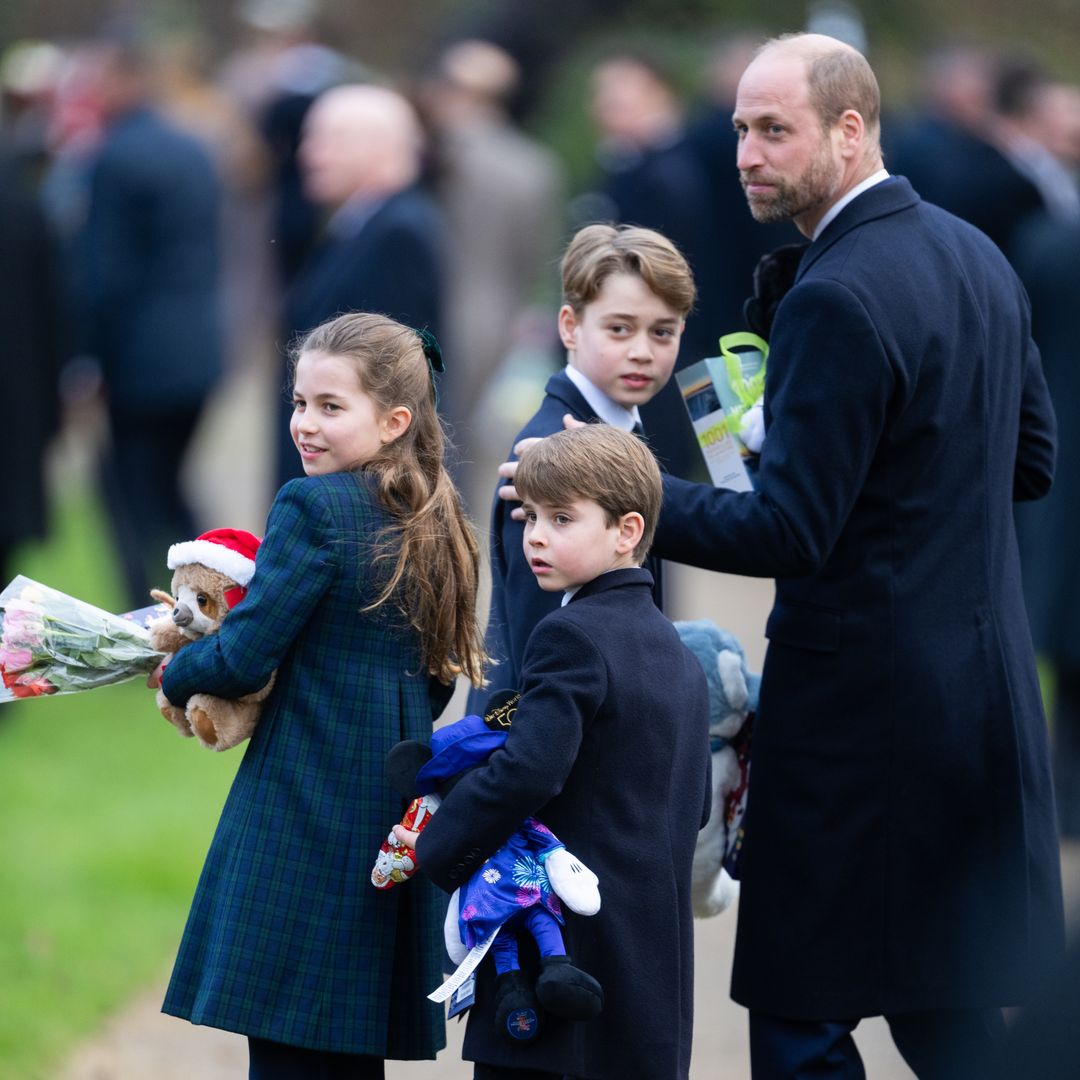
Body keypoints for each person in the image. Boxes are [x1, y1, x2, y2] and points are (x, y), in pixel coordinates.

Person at [500, 31, 1063, 1078]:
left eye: (774, 131)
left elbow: (788, 533)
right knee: (945, 1010)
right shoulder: (974, 252)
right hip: (980, 699)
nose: (747, 155)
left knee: (804, 1020)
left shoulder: (837, 295)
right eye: (739, 130)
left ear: (850, 131)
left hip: (862, 719)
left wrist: (618, 487)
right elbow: (1027, 461)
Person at [153, 312, 487, 1078]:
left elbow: (244, 655)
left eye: (331, 407)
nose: (305, 423)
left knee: (288, 1050)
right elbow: (438, 680)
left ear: (394, 420)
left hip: (302, 807)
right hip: (384, 806)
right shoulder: (436, 515)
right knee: (345, 1044)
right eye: (300, 402)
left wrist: (176, 672)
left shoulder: (314, 507)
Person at [403, 423, 711, 1079]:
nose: (536, 536)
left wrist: (438, 847)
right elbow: (697, 802)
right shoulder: (678, 654)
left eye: (562, 518)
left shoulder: (570, 635)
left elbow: (528, 769)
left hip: (560, 955)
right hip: (648, 963)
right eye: (531, 516)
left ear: (627, 530)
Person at [468, 222, 695, 714]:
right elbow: (544, 648)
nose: (642, 351)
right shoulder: (550, 453)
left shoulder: (620, 435)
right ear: (569, 326)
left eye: (662, 331)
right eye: (619, 328)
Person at [73, 36, 224, 609]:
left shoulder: (114, 156)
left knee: (126, 492)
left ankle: (136, 614)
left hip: (139, 360)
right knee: (171, 487)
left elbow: (104, 272)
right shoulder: (194, 147)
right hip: (201, 349)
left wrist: (86, 359)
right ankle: (216, 591)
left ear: (125, 78)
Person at [275, 83, 445, 490]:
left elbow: (388, 375)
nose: (308, 155)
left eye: (327, 141)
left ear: (379, 147)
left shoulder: (398, 232)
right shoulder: (365, 220)